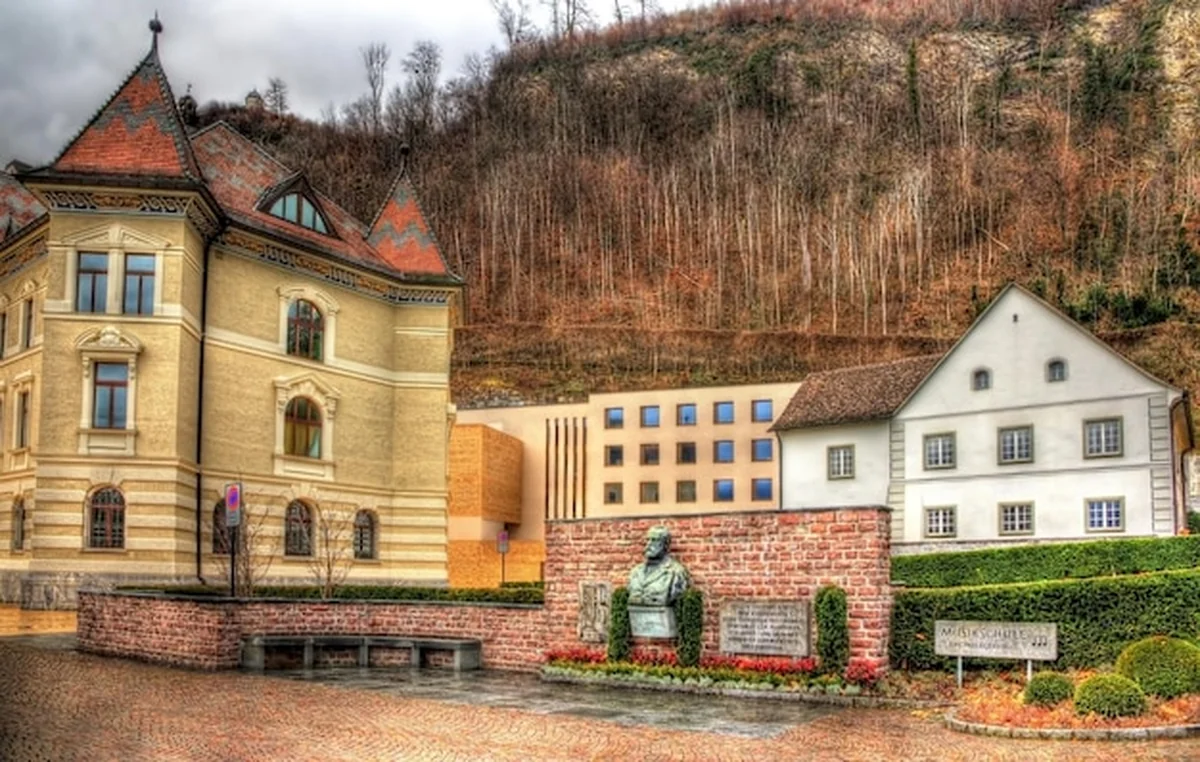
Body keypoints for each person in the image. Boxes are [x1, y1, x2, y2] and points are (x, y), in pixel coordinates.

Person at [627, 526, 690, 606]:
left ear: (665, 545)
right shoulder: (635, 572)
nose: (649, 544)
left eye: (654, 540)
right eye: (648, 540)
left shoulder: (676, 572)